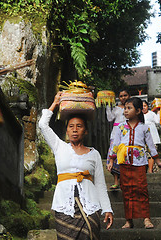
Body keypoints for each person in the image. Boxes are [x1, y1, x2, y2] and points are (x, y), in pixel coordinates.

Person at [39, 91, 113, 240]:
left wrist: (107, 209)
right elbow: (42, 125)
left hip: (90, 206)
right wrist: (55, 103)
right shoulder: (59, 147)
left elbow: (99, 184)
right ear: (66, 131)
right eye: (71, 126)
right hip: (64, 206)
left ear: (85, 131)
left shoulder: (94, 154)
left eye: (79, 126)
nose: (74, 129)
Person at [108, 97, 161, 229]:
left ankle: (146, 218)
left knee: (142, 189)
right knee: (126, 190)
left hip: (140, 163)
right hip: (124, 162)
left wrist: (157, 161)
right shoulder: (120, 127)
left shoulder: (144, 128)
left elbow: (151, 146)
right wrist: (111, 160)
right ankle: (129, 220)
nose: (126, 111)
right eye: (125, 108)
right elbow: (115, 145)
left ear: (138, 111)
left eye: (129, 108)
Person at [106, 89, 131, 190]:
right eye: (121, 96)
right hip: (115, 133)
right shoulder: (116, 108)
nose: (123, 97)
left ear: (129, 96)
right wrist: (107, 106)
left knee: (126, 157)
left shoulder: (131, 108)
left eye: (125, 95)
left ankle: (125, 181)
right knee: (113, 156)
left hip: (127, 134)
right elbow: (109, 118)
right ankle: (116, 181)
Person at [143, 100, 161, 173]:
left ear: (148, 107)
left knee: (152, 154)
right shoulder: (138, 115)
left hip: (153, 138)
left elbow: (157, 121)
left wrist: (158, 112)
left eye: (145, 106)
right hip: (143, 139)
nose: (143, 108)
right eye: (142, 106)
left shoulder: (152, 114)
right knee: (145, 154)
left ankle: (151, 171)